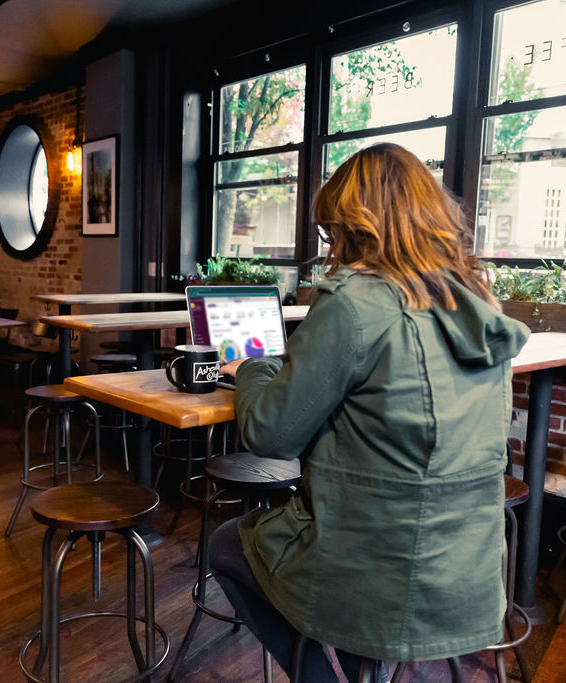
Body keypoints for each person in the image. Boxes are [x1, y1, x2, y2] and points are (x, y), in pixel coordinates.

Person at [209, 142, 530, 681]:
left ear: (354, 226)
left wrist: (250, 368)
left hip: (374, 561)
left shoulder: (355, 302)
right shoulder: (475, 306)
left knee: (225, 545)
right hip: (467, 565)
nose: (331, 245)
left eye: (331, 231)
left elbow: (269, 434)